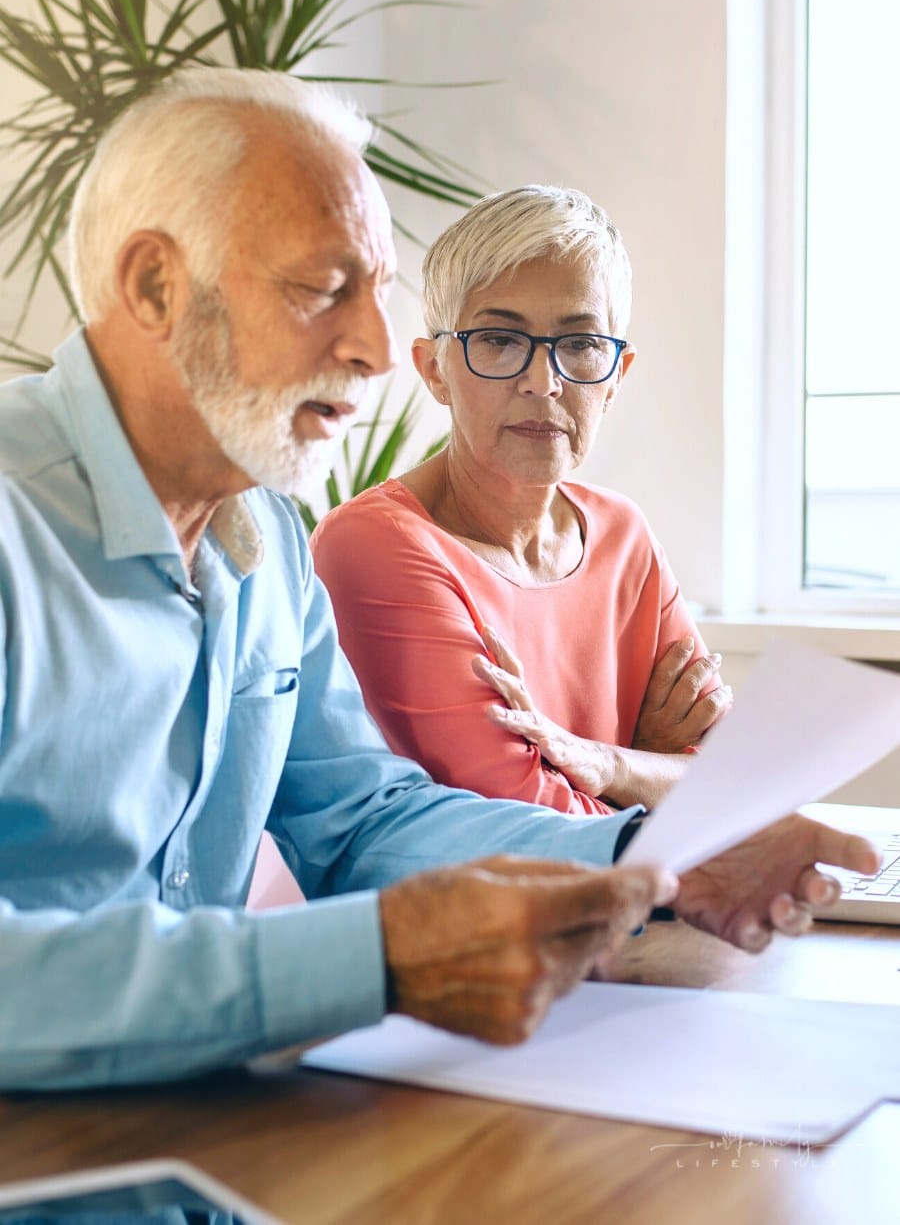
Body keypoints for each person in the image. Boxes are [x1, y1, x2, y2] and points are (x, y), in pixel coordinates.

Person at [0, 69, 877, 1092]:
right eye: (322, 288)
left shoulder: (267, 540)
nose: (376, 351)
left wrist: (655, 857)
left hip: (201, 1135)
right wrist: (372, 958)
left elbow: (365, 818)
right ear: (154, 286)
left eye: (376, 292)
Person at [312, 186, 726, 815]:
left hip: (641, 912)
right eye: (500, 341)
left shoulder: (623, 535)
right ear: (434, 370)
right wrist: (649, 764)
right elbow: (531, 823)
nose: (544, 382)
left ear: (617, 374)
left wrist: (608, 764)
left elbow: (731, 779)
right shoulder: (375, 546)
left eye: (581, 344)